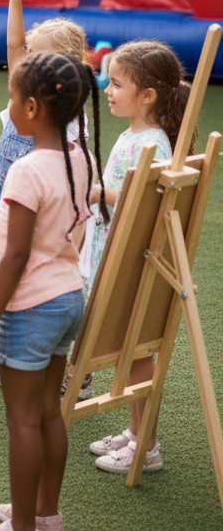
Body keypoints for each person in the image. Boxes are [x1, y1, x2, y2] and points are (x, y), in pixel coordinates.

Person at [0, 51, 98, 531]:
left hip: (31, 306)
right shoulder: (80, 157)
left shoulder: (27, 169)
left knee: (21, 420)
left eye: (12, 99)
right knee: (47, 413)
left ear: (34, 108)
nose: (10, 107)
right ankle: (45, 515)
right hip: (68, 297)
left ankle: (21, 526)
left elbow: (17, 254)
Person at [0, 0, 99, 389]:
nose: (26, 60)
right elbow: (6, 152)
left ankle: (69, 368)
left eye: (39, 56)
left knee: (37, 281)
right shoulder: (26, 100)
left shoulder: (62, 115)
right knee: (8, 274)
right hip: (11, 203)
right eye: (30, 55)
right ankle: (13, 355)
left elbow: (71, 172)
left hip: (44, 214)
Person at [85, 40, 193, 477]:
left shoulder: (153, 145)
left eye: (116, 84)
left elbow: (146, 202)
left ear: (147, 95)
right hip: (116, 252)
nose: (107, 90)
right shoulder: (136, 136)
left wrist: (98, 192)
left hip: (132, 261)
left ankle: (146, 445)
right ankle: (136, 433)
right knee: (129, 353)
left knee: (137, 355)